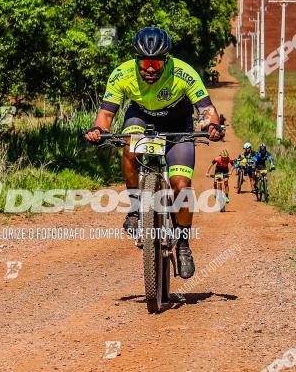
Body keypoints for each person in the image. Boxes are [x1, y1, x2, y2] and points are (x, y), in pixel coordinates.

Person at [83, 27, 224, 279]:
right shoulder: (122, 74)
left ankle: (182, 245)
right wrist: (97, 130)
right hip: (141, 117)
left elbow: (205, 108)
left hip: (178, 124)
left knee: (181, 185)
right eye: (145, 63)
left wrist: (211, 125)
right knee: (129, 146)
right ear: (136, 61)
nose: (150, 69)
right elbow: (106, 115)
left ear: (166, 60)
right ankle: (136, 209)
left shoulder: (183, 73)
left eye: (156, 63)